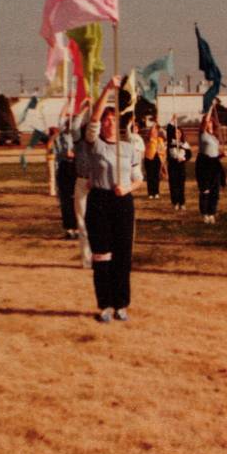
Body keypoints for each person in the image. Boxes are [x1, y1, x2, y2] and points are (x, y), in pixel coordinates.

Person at [85, 76, 143, 322]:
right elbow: (94, 118)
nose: (108, 123)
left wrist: (128, 188)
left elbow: (139, 178)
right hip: (99, 202)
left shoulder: (129, 147)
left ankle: (121, 303)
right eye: (106, 120)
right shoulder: (95, 144)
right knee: (102, 255)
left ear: (119, 122)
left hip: (122, 204)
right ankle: (105, 304)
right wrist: (108, 89)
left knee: (122, 255)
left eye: (112, 119)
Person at [71, 101, 93, 268]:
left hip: (98, 184)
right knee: (82, 221)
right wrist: (84, 108)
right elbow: (74, 126)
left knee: (98, 222)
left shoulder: (100, 144)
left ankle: (99, 255)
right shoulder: (79, 143)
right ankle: (87, 259)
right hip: (81, 182)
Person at [196, 105, 224, 223]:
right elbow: (205, 121)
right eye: (207, 122)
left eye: (211, 122)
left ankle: (212, 212)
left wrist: (222, 155)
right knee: (205, 190)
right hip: (204, 164)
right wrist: (211, 107)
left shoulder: (215, 138)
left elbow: (215, 155)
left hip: (214, 164)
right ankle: (204, 213)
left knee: (215, 191)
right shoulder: (203, 135)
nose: (209, 124)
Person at [53, 114, 78, 240]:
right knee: (66, 200)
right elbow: (59, 153)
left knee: (77, 200)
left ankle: (78, 228)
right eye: (69, 122)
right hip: (64, 168)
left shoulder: (78, 136)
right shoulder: (60, 136)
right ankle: (69, 228)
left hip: (75, 168)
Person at [167, 124, 191, 211]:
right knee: (173, 185)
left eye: (179, 132)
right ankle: (175, 202)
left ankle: (182, 203)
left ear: (181, 134)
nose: (177, 134)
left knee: (181, 186)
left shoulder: (185, 144)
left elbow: (189, 155)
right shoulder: (171, 142)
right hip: (172, 167)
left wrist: (184, 159)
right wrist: (172, 121)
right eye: (176, 132)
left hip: (181, 167)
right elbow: (168, 130)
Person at [143, 122, 166, 200]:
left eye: (155, 132)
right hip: (149, 159)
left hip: (157, 159)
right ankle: (150, 193)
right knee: (150, 176)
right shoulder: (148, 139)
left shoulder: (160, 140)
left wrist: (160, 152)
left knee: (156, 176)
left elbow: (163, 150)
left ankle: (156, 192)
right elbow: (150, 132)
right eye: (152, 131)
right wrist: (153, 125)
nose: (154, 133)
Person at [44, 126, 58, 197]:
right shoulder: (49, 140)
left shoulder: (54, 140)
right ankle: (52, 191)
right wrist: (53, 137)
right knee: (52, 176)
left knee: (55, 175)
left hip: (54, 159)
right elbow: (49, 148)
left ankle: (55, 190)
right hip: (51, 159)